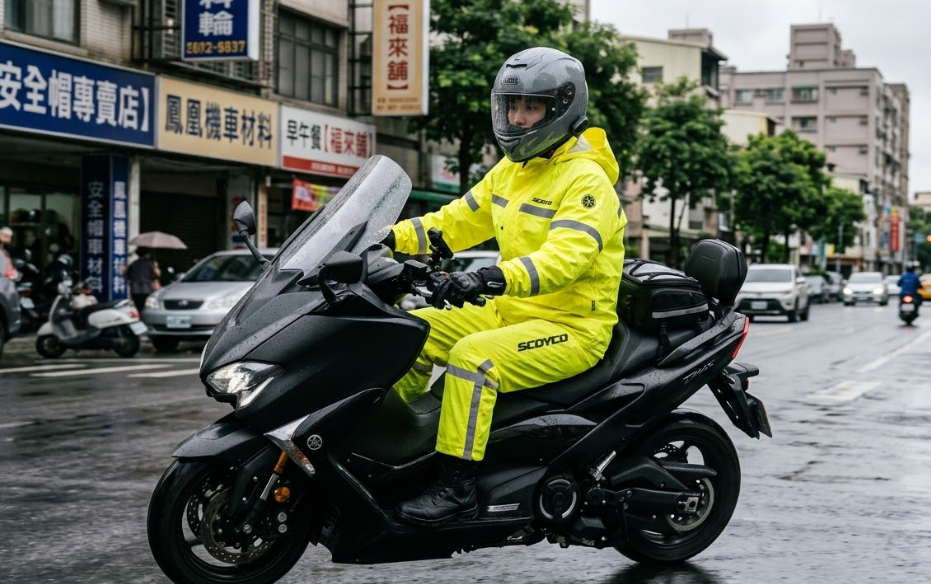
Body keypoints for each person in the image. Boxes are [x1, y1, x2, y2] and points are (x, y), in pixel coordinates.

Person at [384, 47, 628, 526]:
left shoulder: (586, 180)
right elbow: (453, 223)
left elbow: (564, 260)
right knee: (409, 329)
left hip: (572, 327)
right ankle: (399, 448)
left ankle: (456, 484)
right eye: (511, 105)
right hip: (512, 312)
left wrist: (489, 277)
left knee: (475, 359)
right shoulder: (513, 170)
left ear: (561, 109)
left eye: (530, 107)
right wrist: (381, 237)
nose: (517, 118)